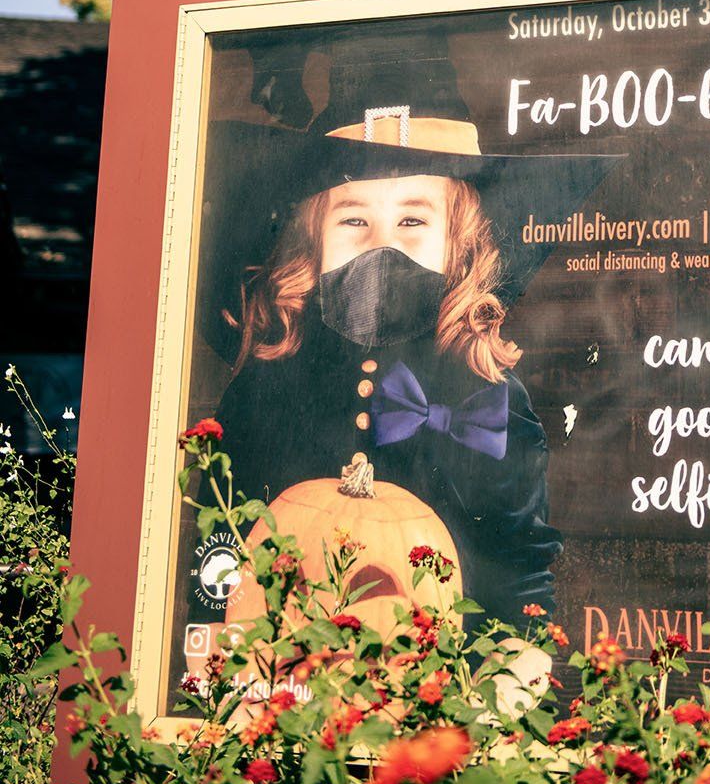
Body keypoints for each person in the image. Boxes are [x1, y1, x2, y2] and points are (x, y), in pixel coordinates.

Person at [207, 77, 609, 629]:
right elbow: (219, 551)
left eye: (412, 221)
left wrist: (510, 676)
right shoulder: (266, 384)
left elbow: (520, 567)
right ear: (312, 240)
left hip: (439, 689)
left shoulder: (485, 394)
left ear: (460, 243)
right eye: (353, 219)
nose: (381, 245)